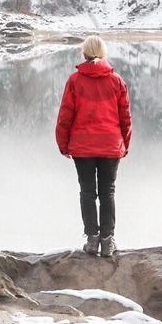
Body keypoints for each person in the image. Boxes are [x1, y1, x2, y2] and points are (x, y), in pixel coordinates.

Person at [55, 34, 131, 257]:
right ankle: (107, 241)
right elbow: (125, 117)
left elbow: (65, 116)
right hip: (110, 145)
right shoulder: (117, 81)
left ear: (84, 54)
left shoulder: (75, 81)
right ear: (104, 53)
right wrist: (124, 143)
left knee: (88, 192)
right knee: (107, 191)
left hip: (83, 146)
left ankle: (92, 239)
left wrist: (63, 144)